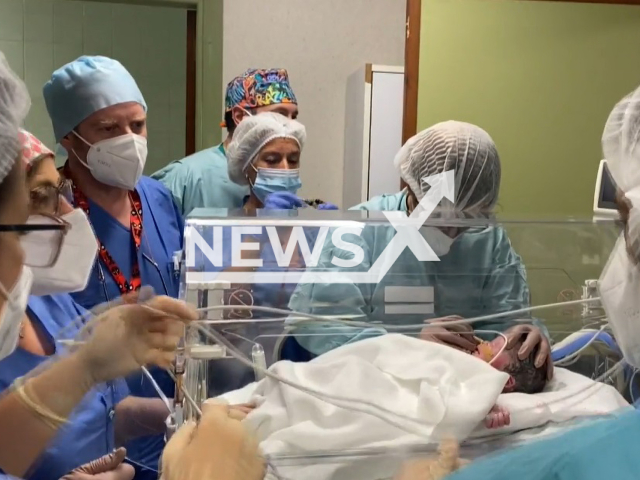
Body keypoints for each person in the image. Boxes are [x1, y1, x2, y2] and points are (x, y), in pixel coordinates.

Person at [0, 52, 197, 479]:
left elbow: (98, 407)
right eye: (40, 198)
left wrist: (175, 416)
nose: (65, 213)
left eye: (137, 124)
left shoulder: (47, 303)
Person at [438, 85, 640, 480]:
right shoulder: (360, 237)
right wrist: (412, 342)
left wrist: (533, 336)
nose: (463, 227)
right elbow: (318, 328)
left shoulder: (488, 238)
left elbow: (518, 321)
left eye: (623, 228)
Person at [285, 121, 552, 377]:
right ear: (412, 187)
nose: (452, 233)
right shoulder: (362, 228)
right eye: (437, 217)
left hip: (462, 385)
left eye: (467, 220)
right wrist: (410, 347)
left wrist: (525, 341)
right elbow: (321, 324)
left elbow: (506, 321)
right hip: (376, 384)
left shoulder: (488, 239)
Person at [152, 68, 299, 215]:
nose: (289, 125)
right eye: (279, 115)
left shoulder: (283, 171)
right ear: (240, 116)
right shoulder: (187, 177)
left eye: (294, 117)